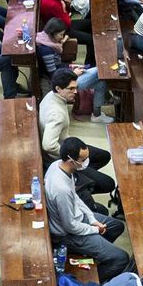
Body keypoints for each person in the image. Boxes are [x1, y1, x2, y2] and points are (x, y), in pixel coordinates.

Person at [45, 138, 131, 282]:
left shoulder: (58, 166)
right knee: (122, 258)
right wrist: (95, 230)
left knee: (116, 226)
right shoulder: (60, 189)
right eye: (83, 159)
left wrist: (92, 219)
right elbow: (70, 226)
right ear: (71, 160)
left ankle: (95, 253)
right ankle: (90, 281)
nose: (87, 162)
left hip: (78, 219)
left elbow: (76, 198)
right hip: (67, 234)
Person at [39, 70, 115, 208]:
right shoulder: (57, 114)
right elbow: (48, 145)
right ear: (58, 88)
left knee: (104, 156)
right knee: (108, 183)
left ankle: (84, 175)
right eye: (71, 89)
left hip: (69, 145)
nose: (75, 92)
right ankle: (80, 182)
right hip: (63, 156)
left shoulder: (52, 95)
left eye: (76, 87)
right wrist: (72, 159)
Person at [35, 24, 110, 121]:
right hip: (65, 83)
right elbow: (54, 75)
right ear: (52, 33)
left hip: (67, 74)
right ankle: (104, 105)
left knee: (101, 82)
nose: (62, 37)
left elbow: (59, 66)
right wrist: (73, 73)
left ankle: (97, 115)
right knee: (98, 71)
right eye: (60, 35)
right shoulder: (47, 50)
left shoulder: (49, 42)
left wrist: (70, 67)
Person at [39, 0, 91, 64]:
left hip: (62, 24)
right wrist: (64, 7)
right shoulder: (52, 4)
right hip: (61, 30)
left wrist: (66, 6)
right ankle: (89, 64)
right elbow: (67, 23)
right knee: (91, 40)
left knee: (90, 23)